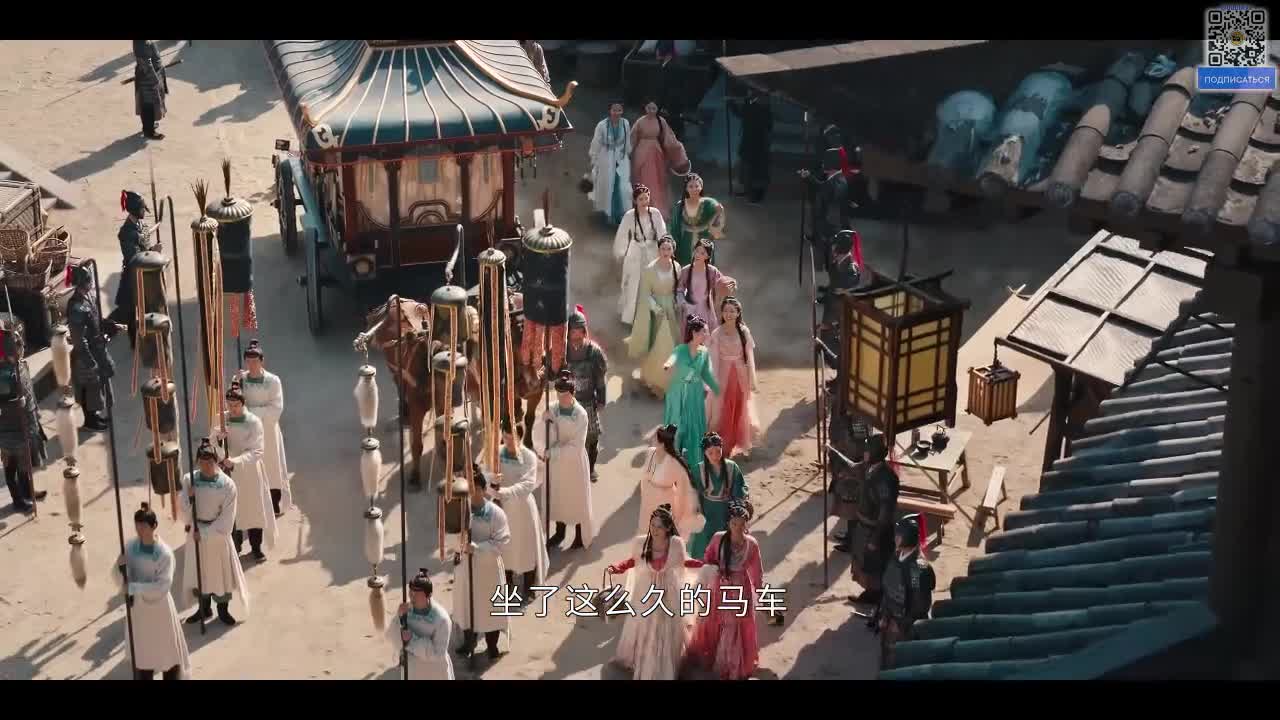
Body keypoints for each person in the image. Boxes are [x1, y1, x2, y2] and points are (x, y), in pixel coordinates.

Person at [606, 504, 705, 680]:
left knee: (666, 629)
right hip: (647, 591)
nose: (654, 529)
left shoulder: (676, 544)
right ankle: (646, 665)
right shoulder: (641, 542)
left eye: (659, 526)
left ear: (668, 528)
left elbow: (684, 562)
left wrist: (704, 564)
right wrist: (618, 567)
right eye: (652, 525)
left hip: (668, 591)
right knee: (644, 627)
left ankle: (664, 668)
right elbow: (633, 561)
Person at [685, 500, 763, 681]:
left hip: (740, 588)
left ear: (747, 524)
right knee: (717, 622)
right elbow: (708, 557)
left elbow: (757, 571)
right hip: (719, 586)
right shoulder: (718, 538)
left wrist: (760, 593)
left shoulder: (752, 544)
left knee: (735, 625)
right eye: (734, 523)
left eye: (742, 524)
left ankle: (731, 663)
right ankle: (717, 657)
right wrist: (714, 570)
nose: (737, 528)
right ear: (728, 523)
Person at [114, 502, 190, 680]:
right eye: (137, 526)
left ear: (154, 526)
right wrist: (120, 567)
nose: (140, 530)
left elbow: (163, 586)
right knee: (143, 655)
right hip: (139, 611)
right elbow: (122, 577)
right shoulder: (130, 548)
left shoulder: (164, 553)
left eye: (144, 526)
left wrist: (134, 587)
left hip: (160, 610)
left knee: (166, 654)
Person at [181, 438, 249, 626]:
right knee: (200, 574)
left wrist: (204, 533)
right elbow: (184, 511)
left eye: (210, 462)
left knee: (220, 575)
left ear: (216, 461)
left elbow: (227, 520)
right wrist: (189, 498)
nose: (206, 466)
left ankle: (223, 610)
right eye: (202, 462)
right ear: (197, 462)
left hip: (217, 537)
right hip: (196, 535)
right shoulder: (189, 480)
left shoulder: (227, 485)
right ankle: (203, 609)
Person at [532, 370, 596, 551]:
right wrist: (544, 421)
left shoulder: (581, 415)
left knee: (575, 499)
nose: (561, 399)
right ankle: (559, 532)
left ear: (572, 393)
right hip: (556, 464)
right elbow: (542, 431)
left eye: (565, 395)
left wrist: (553, 452)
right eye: (559, 395)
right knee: (557, 497)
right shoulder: (552, 408)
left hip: (574, 463)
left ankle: (579, 536)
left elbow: (576, 446)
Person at [453, 470, 511, 661]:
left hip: (488, 570)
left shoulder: (496, 513)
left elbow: (502, 542)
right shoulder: (460, 511)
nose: (472, 493)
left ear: (484, 489)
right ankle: (469, 642)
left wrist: (477, 548)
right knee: (467, 606)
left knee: (490, 609)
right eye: (468, 488)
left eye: (476, 488)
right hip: (466, 568)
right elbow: (450, 536)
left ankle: (492, 645)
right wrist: (459, 546)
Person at [218, 382, 278, 562]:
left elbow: (257, 451)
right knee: (233, 511)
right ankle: (235, 547)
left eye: (236, 405)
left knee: (253, 511)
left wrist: (235, 461)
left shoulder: (253, 422)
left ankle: (256, 547)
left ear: (243, 403)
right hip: (229, 472)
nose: (232, 409)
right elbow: (211, 443)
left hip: (249, 472)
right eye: (230, 405)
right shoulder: (221, 420)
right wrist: (219, 439)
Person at [491, 421, 548, 605]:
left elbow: (527, 484)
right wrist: (492, 480)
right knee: (505, 548)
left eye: (511, 439)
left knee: (526, 547)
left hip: (523, 509)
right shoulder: (497, 453)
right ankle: (507, 583)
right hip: (503, 509)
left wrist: (505, 492)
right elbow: (484, 476)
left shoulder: (529, 457)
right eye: (505, 437)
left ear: (520, 438)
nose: (507, 442)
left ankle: (529, 586)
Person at [236, 340, 291, 518]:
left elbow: (276, 408)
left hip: (268, 431)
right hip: (248, 433)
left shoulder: (273, 381)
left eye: (255, 361)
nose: (252, 364)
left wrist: (251, 413)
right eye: (249, 361)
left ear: (262, 361)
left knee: (272, 468)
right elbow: (234, 403)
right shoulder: (241, 380)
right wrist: (236, 386)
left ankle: (274, 505)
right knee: (251, 469)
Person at [875, 514, 936, 670]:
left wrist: (902, 624)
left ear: (908, 538)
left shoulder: (916, 569)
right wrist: (884, 614)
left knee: (902, 660)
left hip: (906, 626)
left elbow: (920, 604)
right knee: (887, 655)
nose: (895, 538)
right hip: (891, 617)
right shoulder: (896, 556)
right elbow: (888, 587)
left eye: (899, 535)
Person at [66, 264, 121, 432]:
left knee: (98, 386)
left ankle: (95, 416)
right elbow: (78, 338)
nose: (91, 283)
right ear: (82, 283)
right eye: (88, 281)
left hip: (97, 349)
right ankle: (89, 420)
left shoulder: (90, 297)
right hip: (86, 354)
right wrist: (90, 361)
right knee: (89, 387)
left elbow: (96, 320)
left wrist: (112, 325)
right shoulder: (76, 308)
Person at [626, 236, 682, 397]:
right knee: (657, 344)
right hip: (656, 311)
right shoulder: (650, 269)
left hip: (671, 309)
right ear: (658, 250)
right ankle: (655, 379)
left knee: (671, 343)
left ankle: (668, 379)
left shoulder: (676, 267)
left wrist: (678, 302)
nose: (666, 251)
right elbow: (645, 294)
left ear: (673, 251)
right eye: (663, 248)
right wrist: (657, 309)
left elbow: (678, 288)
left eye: (669, 249)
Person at [661, 315, 720, 469]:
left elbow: (706, 374)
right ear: (694, 332)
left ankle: (694, 460)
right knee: (678, 426)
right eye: (704, 331)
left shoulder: (704, 352)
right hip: (678, 393)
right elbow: (672, 358)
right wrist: (668, 365)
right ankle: (673, 459)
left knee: (694, 427)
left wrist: (717, 389)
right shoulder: (680, 349)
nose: (707, 334)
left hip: (695, 394)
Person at [0, 326, 48, 513]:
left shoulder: (20, 366)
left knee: (26, 463)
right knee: (12, 466)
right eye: (17, 345)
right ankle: (18, 499)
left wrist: (34, 411)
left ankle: (27, 491)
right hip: (9, 427)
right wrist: (14, 404)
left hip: (27, 421)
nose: (22, 348)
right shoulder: (4, 375)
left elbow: (29, 392)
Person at [849, 433, 898, 605]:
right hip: (863, 525)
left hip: (875, 530)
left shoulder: (885, 479)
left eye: (867, 451)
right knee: (864, 562)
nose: (864, 453)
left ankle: (878, 598)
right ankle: (870, 592)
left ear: (875, 454)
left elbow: (885, 513)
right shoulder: (869, 468)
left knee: (875, 565)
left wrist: (875, 538)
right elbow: (854, 467)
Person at [707, 297, 760, 459]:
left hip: (740, 376)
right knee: (721, 408)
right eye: (725, 311)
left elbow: (749, 356)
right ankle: (721, 443)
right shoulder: (717, 333)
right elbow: (713, 358)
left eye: (732, 311)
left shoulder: (744, 331)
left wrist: (751, 378)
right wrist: (712, 380)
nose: (728, 314)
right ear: (721, 313)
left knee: (740, 407)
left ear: (738, 313)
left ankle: (739, 442)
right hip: (722, 376)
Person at [687, 432, 749, 560]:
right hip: (707, 510)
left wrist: (738, 506)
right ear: (704, 453)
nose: (715, 456)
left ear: (722, 449)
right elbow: (692, 491)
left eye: (718, 451)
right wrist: (696, 507)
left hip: (726, 510)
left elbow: (739, 488)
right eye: (710, 453)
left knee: (726, 539)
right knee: (705, 539)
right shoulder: (699, 469)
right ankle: (704, 562)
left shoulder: (732, 467)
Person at [108, 190, 156, 347]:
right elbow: (134, 258)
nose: (144, 212)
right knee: (131, 311)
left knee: (148, 307)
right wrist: (152, 253)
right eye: (142, 209)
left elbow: (145, 246)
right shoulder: (126, 233)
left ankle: (148, 337)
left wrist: (152, 250)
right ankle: (135, 344)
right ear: (135, 210)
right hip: (133, 277)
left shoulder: (142, 225)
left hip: (146, 274)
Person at [564, 306, 607, 482]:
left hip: (588, 401)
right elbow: (554, 372)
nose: (575, 334)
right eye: (572, 331)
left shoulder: (594, 352)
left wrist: (601, 399)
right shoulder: (563, 351)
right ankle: (572, 468)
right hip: (569, 402)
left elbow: (600, 378)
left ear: (583, 331)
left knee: (592, 437)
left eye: (578, 331)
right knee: (569, 438)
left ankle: (590, 468)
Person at [613, 185, 667, 325]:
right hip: (635, 251)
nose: (644, 202)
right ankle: (631, 315)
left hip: (652, 250)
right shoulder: (629, 215)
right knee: (633, 282)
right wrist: (620, 251)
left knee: (652, 282)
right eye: (641, 199)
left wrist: (664, 249)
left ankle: (652, 313)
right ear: (635, 201)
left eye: (646, 198)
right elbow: (622, 234)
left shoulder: (655, 213)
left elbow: (662, 232)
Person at [638, 424, 702, 538]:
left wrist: (690, 505)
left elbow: (685, 484)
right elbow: (645, 475)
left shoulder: (674, 462)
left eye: (655, 437)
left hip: (664, 500)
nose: (652, 439)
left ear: (662, 443)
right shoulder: (650, 452)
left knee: (662, 531)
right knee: (646, 529)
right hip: (648, 498)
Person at [391, 569, 454, 679]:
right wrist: (400, 619)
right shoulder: (406, 610)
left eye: (416, 594)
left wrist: (411, 640)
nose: (412, 597)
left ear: (428, 595)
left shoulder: (441, 619)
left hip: (434, 673)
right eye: (411, 592)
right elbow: (392, 635)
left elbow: (438, 653)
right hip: (412, 671)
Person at [818, 229, 865, 356]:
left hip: (841, 309)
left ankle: (839, 362)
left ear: (840, 248)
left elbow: (852, 287)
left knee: (836, 339)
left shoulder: (851, 268)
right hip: (832, 306)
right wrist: (827, 293)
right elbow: (834, 283)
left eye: (835, 245)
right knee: (825, 337)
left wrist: (844, 291)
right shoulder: (836, 263)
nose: (832, 248)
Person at [630, 99, 678, 214]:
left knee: (657, 179)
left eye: (654, 108)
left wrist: (672, 149)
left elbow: (668, 137)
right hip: (641, 151)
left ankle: (656, 204)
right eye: (649, 108)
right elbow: (633, 137)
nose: (651, 111)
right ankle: (642, 204)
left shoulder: (661, 121)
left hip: (656, 153)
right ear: (645, 108)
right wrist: (628, 151)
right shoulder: (640, 122)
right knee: (642, 177)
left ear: (657, 109)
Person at [588, 100, 632, 226]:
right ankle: (609, 213)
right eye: (614, 110)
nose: (617, 113)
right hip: (606, 157)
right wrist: (594, 158)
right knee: (607, 184)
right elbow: (596, 142)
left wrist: (627, 153)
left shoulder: (625, 123)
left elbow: (627, 140)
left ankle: (621, 213)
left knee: (622, 186)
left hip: (621, 157)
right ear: (609, 111)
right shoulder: (602, 125)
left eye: (619, 110)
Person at [668, 173, 725, 265]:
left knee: (705, 267)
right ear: (686, 188)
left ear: (701, 187)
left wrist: (718, 211)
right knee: (686, 267)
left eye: (697, 186)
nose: (694, 189)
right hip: (685, 244)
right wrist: (673, 245)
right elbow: (675, 227)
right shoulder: (680, 205)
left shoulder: (709, 203)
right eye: (690, 186)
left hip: (704, 242)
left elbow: (717, 218)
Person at [731, 88, 773, 204]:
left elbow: (744, 113)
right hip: (755, 143)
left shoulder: (758, 107)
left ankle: (752, 192)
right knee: (750, 167)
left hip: (755, 143)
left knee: (751, 167)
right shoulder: (758, 106)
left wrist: (732, 104)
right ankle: (751, 191)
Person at [676, 238, 724, 339]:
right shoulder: (686, 270)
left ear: (707, 256)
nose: (698, 255)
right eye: (697, 251)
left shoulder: (712, 271)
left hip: (707, 310)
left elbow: (722, 283)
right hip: (690, 310)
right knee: (690, 339)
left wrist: (731, 283)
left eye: (702, 253)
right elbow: (679, 290)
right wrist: (684, 303)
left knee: (707, 339)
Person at [132, 40, 168, 140]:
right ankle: (149, 131)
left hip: (151, 75)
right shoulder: (140, 43)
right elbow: (146, 64)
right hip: (147, 79)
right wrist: (154, 79)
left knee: (150, 104)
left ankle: (149, 126)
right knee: (148, 105)